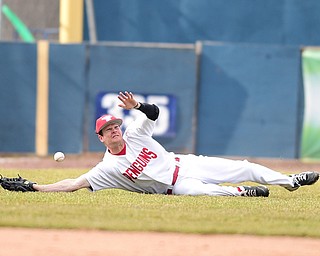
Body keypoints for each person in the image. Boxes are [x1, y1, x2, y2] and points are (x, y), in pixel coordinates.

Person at [1, 91, 319, 196]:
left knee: (244, 166)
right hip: (174, 187)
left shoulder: (137, 133)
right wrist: (35, 187)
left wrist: (137, 106)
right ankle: (242, 194)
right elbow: (73, 183)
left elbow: (152, 113)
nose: (114, 130)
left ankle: (290, 181)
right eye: (108, 130)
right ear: (100, 138)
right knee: (212, 193)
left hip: (186, 163)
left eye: (115, 125)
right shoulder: (107, 169)